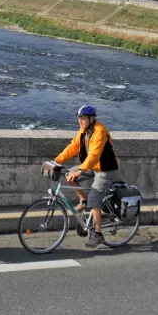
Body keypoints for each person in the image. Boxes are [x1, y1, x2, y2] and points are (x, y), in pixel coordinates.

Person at [54, 105, 120, 248]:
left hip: (105, 170)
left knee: (94, 199)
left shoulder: (100, 131)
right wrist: (57, 160)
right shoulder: (84, 131)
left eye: (82, 118)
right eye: (79, 118)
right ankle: (83, 200)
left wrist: (80, 170)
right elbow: (73, 147)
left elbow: (94, 155)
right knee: (69, 175)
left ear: (91, 118)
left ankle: (98, 234)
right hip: (91, 166)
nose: (80, 121)